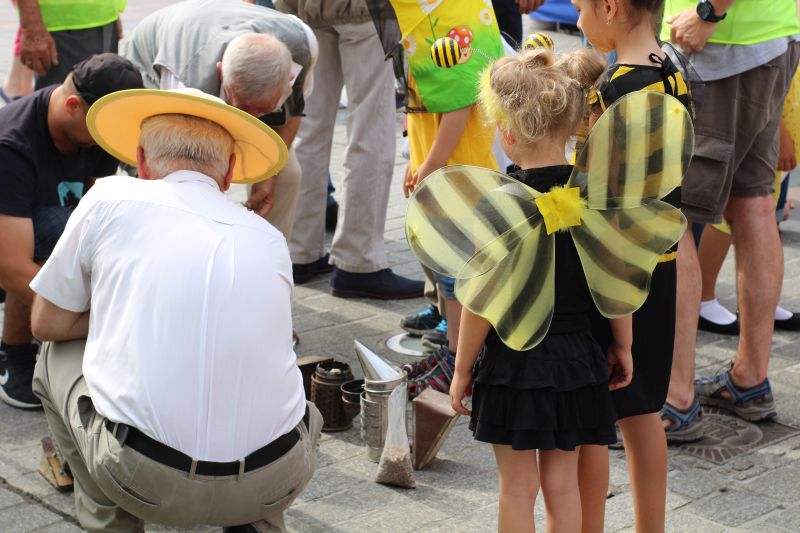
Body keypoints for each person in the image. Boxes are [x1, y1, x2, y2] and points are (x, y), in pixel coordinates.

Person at [29, 87, 322, 533]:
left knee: (54, 357)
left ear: (142, 163)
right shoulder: (269, 239)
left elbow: (45, 322)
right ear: (228, 175)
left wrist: (119, 310)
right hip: (275, 478)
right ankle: (254, 523)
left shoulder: (109, 199)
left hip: (146, 478)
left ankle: (110, 520)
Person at [446, 49, 634, 532]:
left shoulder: (496, 207)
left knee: (516, 489)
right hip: (576, 361)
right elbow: (614, 279)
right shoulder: (593, 197)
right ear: (572, 127)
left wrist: (462, 367)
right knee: (563, 486)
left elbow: (479, 302)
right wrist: (623, 344)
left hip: (514, 363)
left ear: (507, 135)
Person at [571, 0, 692, 531]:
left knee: (595, 415)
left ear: (612, 8)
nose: (577, 20)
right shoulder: (671, 70)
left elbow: (595, 189)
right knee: (644, 409)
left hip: (612, 271)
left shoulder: (613, 89)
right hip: (658, 263)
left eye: (579, 7)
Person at [660, 0, 799, 433]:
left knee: (674, 214)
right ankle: (749, 380)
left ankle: (675, 401)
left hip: (722, 45)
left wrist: (708, 11)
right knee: (753, 203)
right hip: (765, 39)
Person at [0, 53, 143, 410]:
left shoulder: (91, 129)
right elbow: (11, 266)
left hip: (30, 224)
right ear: (73, 105)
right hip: (8, 239)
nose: (107, 138)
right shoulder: (12, 147)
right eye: (102, 128)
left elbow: (100, 213)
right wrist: (81, 317)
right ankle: (13, 354)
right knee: (55, 232)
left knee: (97, 226)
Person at [120, 0, 318, 239]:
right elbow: (176, 164)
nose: (251, 120)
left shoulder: (303, 45)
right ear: (221, 70)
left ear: (288, 80)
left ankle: (266, 257)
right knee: (178, 185)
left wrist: (267, 176)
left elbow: (294, 112)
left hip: (219, 37)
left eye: (263, 111)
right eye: (243, 107)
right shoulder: (184, 76)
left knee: (288, 174)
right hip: (157, 58)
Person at [391, 0, 503, 396]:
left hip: (461, 174)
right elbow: (424, 100)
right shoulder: (425, 21)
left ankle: (461, 360)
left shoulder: (456, 16)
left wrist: (431, 163)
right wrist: (418, 160)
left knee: (459, 273)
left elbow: (459, 100)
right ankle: (455, 355)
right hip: (441, 169)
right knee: (446, 267)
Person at [276, 0, 424, 299]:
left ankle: (299, 250)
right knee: (370, 125)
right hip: (365, 9)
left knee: (306, 124)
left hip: (300, 8)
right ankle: (358, 261)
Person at [16, 0, 125, 88]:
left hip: (102, 18)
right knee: (67, 107)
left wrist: (110, 11)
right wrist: (31, 25)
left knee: (101, 101)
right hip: (63, 25)